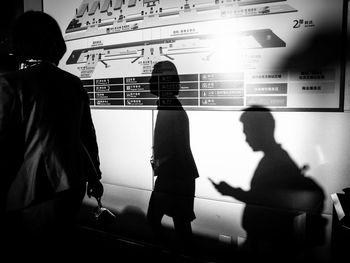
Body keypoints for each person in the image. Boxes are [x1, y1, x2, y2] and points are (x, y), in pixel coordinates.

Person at [0, 11, 103, 258]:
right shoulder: (73, 83)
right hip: (72, 182)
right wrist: (95, 176)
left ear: (20, 41)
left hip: (30, 188)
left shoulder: (10, 84)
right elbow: (86, 135)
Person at [211, 106, 326, 262]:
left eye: (247, 132)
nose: (246, 138)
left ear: (260, 131)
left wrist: (231, 191)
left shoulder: (276, 162)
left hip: (269, 244)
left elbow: (264, 200)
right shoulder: (276, 159)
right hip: (266, 241)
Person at [147, 61, 199, 253]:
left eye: (155, 77)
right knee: (182, 226)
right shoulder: (170, 105)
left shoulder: (169, 107)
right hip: (181, 176)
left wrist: (160, 162)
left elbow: (176, 146)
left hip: (173, 178)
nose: (151, 81)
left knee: (154, 220)